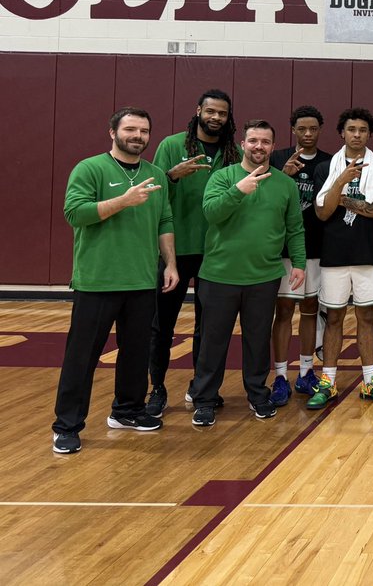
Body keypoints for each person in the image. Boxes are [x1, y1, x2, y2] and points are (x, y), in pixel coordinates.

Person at [52, 108, 178, 454]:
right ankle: (67, 425)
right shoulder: (90, 168)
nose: (137, 135)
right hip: (97, 281)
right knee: (82, 357)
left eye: (144, 130)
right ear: (112, 132)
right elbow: (75, 214)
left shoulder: (155, 175)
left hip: (140, 280)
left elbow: (164, 220)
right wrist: (124, 200)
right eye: (130, 129)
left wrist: (170, 264)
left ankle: (127, 411)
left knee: (136, 354)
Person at [191, 120, 305, 427]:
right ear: (243, 144)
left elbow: (294, 228)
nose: (259, 146)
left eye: (265, 142)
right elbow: (212, 213)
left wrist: (300, 263)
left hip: (264, 277)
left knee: (257, 341)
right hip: (219, 276)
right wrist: (238, 191)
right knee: (212, 342)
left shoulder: (285, 185)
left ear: (273, 146)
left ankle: (258, 394)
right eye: (253, 140)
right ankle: (204, 399)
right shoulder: (222, 177)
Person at [147, 88, 240, 417]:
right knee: (162, 325)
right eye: (210, 111)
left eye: (222, 113)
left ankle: (201, 387)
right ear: (198, 110)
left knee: (208, 326)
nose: (215, 117)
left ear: (229, 118)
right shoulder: (172, 146)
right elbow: (153, 191)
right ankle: (156, 388)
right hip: (174, 250)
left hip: (215, 253)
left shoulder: (234, 152)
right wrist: (172, 176)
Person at [306, 108, 373, 408]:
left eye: (362, 130)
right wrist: (341, 181)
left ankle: (371, 379)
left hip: (367, 254)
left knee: (366, 317)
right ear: (341, 133)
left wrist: (343, 198)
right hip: (334, 255)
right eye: (351, 129)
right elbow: (322, 212)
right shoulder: (325, 168)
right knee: (333, 318)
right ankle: (328, 380)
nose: (357, 134)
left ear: (369, 134)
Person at [266, 105, 331, 405]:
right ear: (292, 129)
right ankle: (280, 376)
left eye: (313, 129)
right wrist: (282, 176)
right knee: (283, 312)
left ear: (320, 130)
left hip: (316, 247)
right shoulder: (277, 159)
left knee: (309, 309)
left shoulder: (330, 162)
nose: (307, 134)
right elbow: (261, 197)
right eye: (301, 129)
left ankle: (306, 371)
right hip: (282, 249)